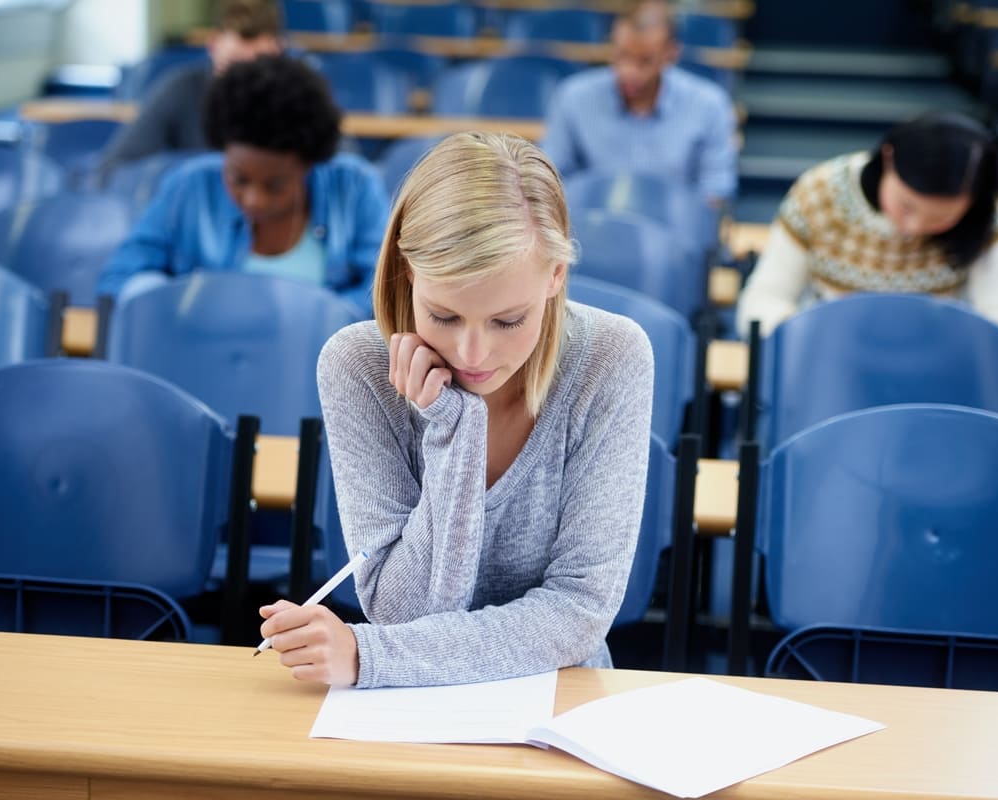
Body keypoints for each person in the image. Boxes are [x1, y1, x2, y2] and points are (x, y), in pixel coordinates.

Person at [258, 132, 655, 688]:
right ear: (409, 271)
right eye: (444, 316)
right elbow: (403, 612)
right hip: (407, 711)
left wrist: (370, 657)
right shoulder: (355, 366)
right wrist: (453, 427)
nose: (472, 354)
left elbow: (579, 612)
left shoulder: (613, 356)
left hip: (562, 699)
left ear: (556, 275)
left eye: (507, 320)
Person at [96, 54, 388, 313]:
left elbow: (386, 292)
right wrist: (174, 302)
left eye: (275, 185)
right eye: (238, 179)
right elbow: (118, 280)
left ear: (309, 164)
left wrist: (314, 318)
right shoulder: (188, 187)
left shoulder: (355, 188)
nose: (253, 200)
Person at [735, 111, 998, 347]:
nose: (913, 227)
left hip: (936, 381)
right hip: (829, 367)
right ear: (888, 157)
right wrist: (809, 340)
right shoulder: (821, 192)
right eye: (906, 206)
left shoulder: (987, 214)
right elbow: (763, 301)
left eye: (940, 219)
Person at [540, 0, 738, 208]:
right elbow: (550, 180)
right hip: (589, 230)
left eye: (644, 61)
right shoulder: (572, 97)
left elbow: (716, 192)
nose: (629, 72)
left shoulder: (709, 105)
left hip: (677, 234)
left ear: (671, 53)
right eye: (621, 55)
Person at [97, 0, 284, 173]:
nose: (242, 81)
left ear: (278, 51)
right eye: (232, 66)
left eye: (257, 67)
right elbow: (115, 169)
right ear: (212, 46)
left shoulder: (293, 100)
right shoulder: (180, 90)